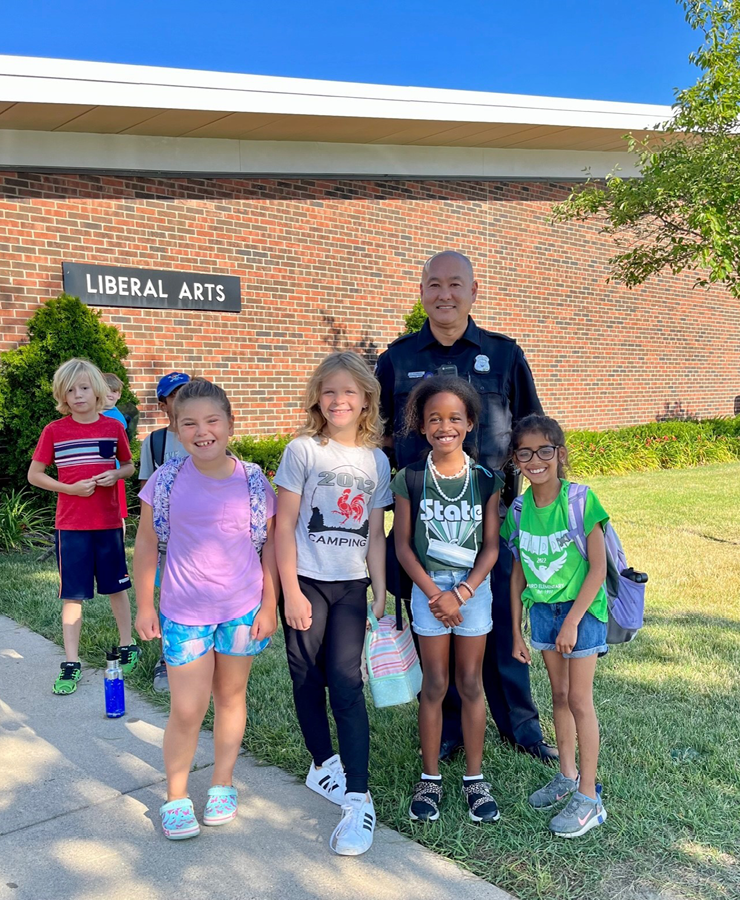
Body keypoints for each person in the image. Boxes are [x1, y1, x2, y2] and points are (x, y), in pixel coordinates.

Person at [375, 250, 557, 763]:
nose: (444, 294)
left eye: (456, 284)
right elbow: (378, 434)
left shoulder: (504, 354)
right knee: (436, 621)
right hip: (424, 529)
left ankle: (520, 726)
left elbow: (531, 430)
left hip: (490, 529)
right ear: (422, 292)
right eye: (434, 284)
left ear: (474, 291)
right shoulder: (398, 358)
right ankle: (450, 727)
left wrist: (549, 496)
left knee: (500, 620)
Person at [133, 378, 279, 841]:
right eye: (189, 423)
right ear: (175, 429)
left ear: (230, 424)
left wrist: (270, 604)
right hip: (185, 612)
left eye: (212, 420)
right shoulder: (167, 480)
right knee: (187, 709)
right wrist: (143, 605)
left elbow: (270, 549)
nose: (202, 431)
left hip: (242, 610)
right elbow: (144, 544)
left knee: (232, 699)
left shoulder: (253, 480)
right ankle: (176, 796)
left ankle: (222, 784)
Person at [274, 351, 390, 857]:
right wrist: (291, 591)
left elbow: (376, 535)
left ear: (366, 397)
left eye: (349, 391)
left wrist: (380, 587)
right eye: (329, 391)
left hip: (350, 587)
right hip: (305, 580)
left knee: (347, 682)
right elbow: (283, 526)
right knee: (306, 676)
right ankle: (323, 766)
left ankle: (358, 798)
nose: (338, 399)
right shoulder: (303, 451)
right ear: (317, 398)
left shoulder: (377, 460)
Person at [391, 375, 503, 824]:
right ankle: (430, 778)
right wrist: (437, 593)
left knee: (471, 683)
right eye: (434, 418)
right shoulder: (410, 478)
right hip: (428, 589)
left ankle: (475, 780)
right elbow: (401, 545)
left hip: (471, 591)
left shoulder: (485, 479)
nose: (444, 426)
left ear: (470, 423)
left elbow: (492, 546)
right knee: (434, 684)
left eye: (455, 417)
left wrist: (462, 591)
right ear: (422, 425)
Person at [502, 414, 608, 837]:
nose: (535, 460)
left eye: (544, 450)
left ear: (559, 454)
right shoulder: (519, 509)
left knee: (580, 700)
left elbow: (597, 569)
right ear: (516, 460)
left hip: (581, 610)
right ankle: (566, 776)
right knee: (559, 696)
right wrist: (515, 630)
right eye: (525, 453)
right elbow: (517, 575)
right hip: (543, 612)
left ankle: (588, 797)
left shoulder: (581, 500)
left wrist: (574, 622)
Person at [27, 357, 139, 694]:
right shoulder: (54, 431)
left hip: (107, 523)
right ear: (62, 395)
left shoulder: (112, 427)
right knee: (72, 594)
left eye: (84, 388)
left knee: (117, 587)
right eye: (70, 390)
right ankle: (71, 662)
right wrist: (69, 489)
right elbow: (35, 475)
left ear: (98, 391)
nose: (78, 395)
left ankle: (127, 642)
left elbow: (129, 466)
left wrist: (115, 474)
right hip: (71, 525)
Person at [138, 370, 190, 693]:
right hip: (166, 536)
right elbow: (146, 489)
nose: (182, 400)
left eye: (188, 392)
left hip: (198, 536)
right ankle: (166, 658)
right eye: (175, 396)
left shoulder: (202, 434)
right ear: (164, 404)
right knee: (167, 594)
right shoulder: (155, 442)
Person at [101, 372, 129, 531]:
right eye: (107, 390)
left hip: (113, 472)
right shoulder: (96, 414)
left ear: (119, 395)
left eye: (115, 391)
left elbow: (108, 450)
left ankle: (119, 548)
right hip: (98, 472)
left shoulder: (116, 418)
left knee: (116, 514)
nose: (111, 394)